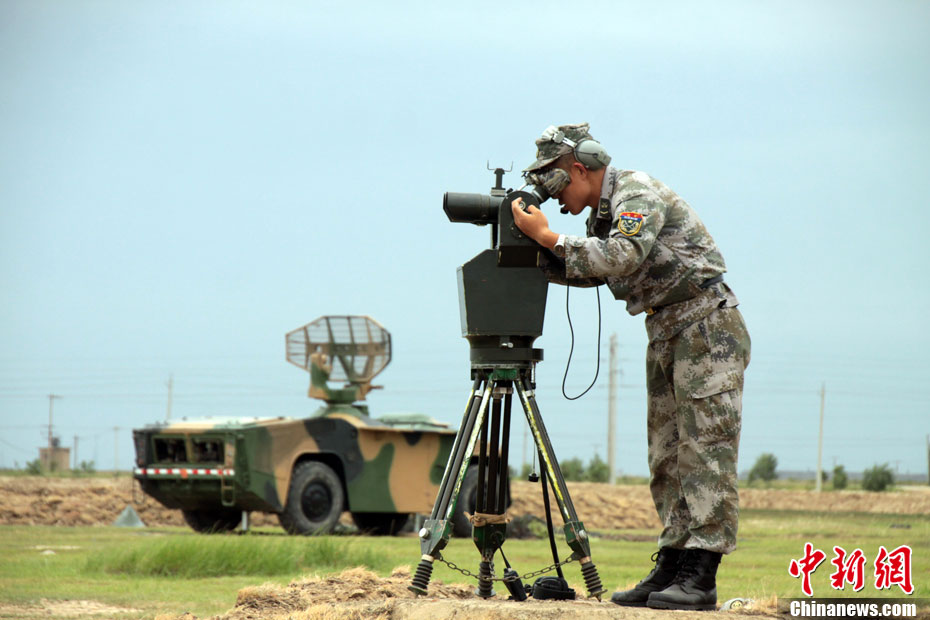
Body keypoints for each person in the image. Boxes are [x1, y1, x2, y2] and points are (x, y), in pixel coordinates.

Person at [511, 123, 751, 611]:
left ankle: (701, 576)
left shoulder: (635, 193)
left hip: (705, 327)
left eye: (556, 182)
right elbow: (596, 267)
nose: (556, 199)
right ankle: (672, 564)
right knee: (667, 457)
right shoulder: (603, 216)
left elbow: (622, 255)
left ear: (580, 169)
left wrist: (549, 237)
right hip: (666, 328)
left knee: (705, 452)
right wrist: (535, 253)